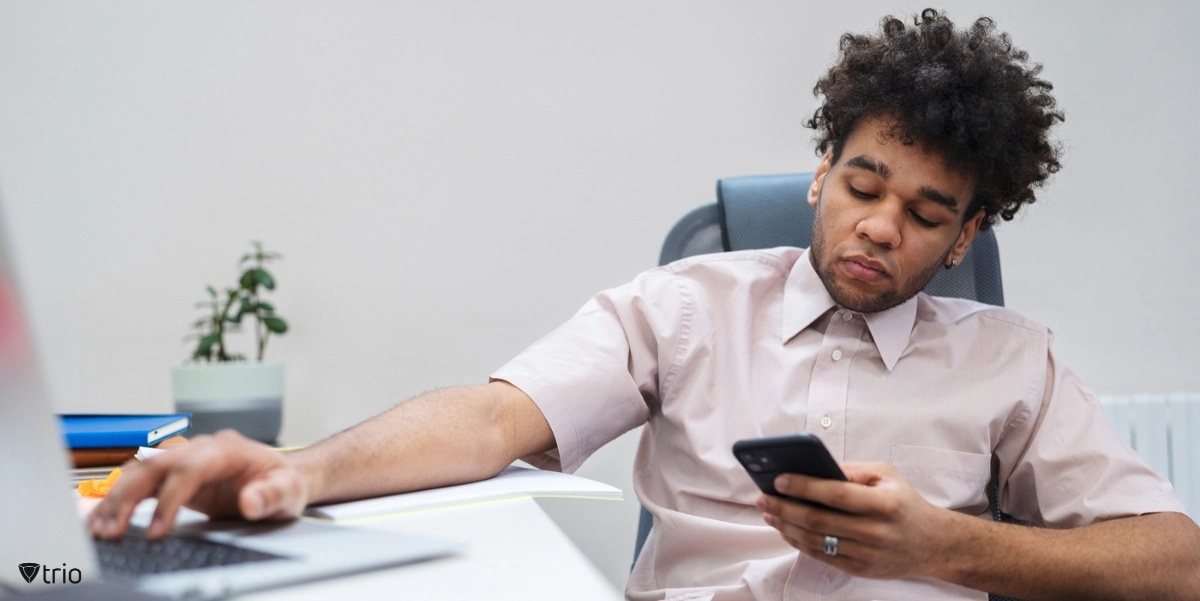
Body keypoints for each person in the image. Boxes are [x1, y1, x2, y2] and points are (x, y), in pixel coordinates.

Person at [89, 9, 1200, 601]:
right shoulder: (680, 306)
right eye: (863, 186)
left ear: (965, 237)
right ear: (821, 172)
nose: (879, 226)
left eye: (924, 213)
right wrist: (299, 472)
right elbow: (491, 420)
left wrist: (944, 548)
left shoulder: (1011, 358)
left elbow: (1174, 560)